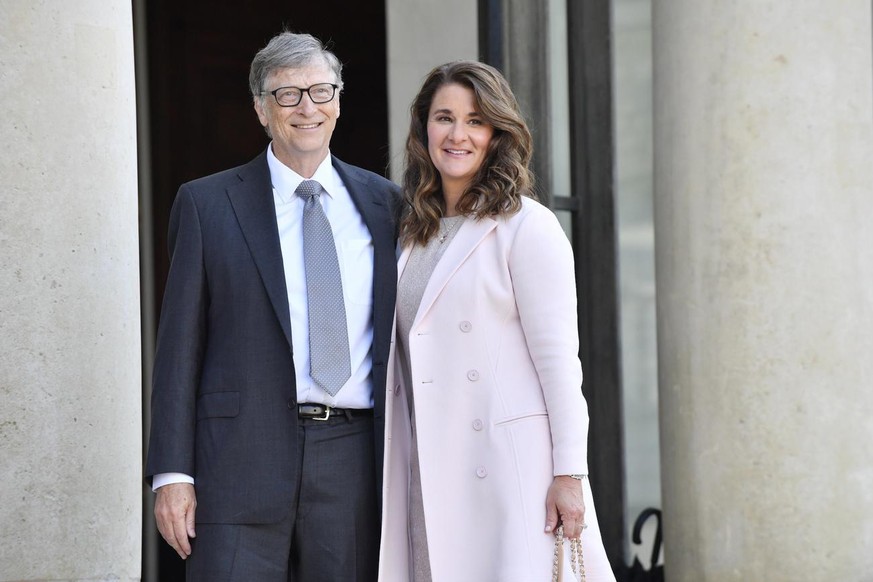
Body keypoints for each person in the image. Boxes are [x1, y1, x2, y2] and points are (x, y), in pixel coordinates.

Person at [145, 31, 399, 581]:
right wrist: (171, 473)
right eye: (287, 95)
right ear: (261, 109)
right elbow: (177, 349)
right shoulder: (207, 204)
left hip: (352, 459)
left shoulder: (386, 205)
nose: (307, 108)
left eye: (320, 91)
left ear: (338, 101)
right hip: (236, 462)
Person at [378, 61, 615, 581]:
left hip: (509, 472)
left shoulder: (528, 227)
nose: (458, 134)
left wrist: (570, 474)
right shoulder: (410, 232)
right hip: (428, 468)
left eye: (475, 121)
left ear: (496, 134)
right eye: (444, 118)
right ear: (424, 129)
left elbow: (559, 365)